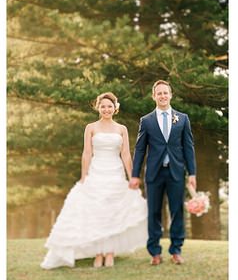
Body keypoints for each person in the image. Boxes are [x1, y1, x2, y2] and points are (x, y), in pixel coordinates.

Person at [41, 92, 148, 269]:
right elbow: (87, 153)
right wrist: (84, 176)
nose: (106, 109)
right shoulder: (91, 127)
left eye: (109, 106)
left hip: (115, 173)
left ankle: (110, 253)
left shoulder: (121, 129)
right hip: (97, 172)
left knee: (113, 212)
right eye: (103, 106)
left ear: (115, 108)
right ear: (98, 108)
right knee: (97, 212)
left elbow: (126, 154)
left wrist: (132, 177)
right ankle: (99, 254)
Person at [129, 80, 197, 266]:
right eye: (159, 93)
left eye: (165, 93)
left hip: (176, 172)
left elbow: (188, 147)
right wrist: (135, 174)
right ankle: (155, 252)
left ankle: (176, 250)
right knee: (154, 213)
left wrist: (192, 173)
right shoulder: (147, 120)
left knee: (177, 211)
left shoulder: (182, 119)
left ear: (171, 94)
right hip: (154, 173)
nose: (163, 96)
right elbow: (140, 149)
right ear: (154, 96)